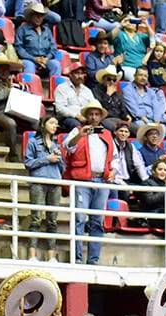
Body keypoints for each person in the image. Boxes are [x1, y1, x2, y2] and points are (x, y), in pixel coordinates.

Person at [64, 100, 114, 265]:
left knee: (97, 221)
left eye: (96, 114)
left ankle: (93, 260)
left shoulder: (106, 134)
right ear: (86, 116)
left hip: (102, 180)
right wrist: (81, 135)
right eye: (91, 114)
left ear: (100, 117)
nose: (93, 117)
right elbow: (67, 147)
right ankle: (77, 259)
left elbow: (114, 158)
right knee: (79, 218)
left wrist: (112, 171)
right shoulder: (76, 131)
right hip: (82, 180)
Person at [25, 114, 65, 259]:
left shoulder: (56, 146)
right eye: (52, 123)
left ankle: (51, 256)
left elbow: (62, 168)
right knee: (36, 218)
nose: (55, 126)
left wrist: (59, 158)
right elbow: (28, 163)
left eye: (56, 124)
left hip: (55, 182)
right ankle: (32, 254)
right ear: (43, 125)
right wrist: (47, 159)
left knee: (52, 220)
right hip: (38, 182)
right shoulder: (33, 143)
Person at [15, 2, 61, 79]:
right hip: (29, 59)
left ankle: (56, 89)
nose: (39, 18)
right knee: (29, 66)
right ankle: (29, 89)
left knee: (56, 65)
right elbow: (19, 48)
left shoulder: (47, 30)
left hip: (45, 59)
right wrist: (34, 59)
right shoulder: (22, 29)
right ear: (31, 16)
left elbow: (53, 47)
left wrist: (47, 58)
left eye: (41, 16)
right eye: (37, 15)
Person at [55, 62, 95, 131]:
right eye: (77, 73)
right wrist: (77, 116)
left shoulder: (87, 90)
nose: (80, 76)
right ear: (70, 74)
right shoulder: (62, 88)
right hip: (67, 118)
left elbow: (93, 105)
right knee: (77, 126)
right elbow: (59, 108)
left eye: (82, 73)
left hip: (85, 118)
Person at [110, 16, 151, 81]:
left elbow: (153, 41)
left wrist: (147, 26)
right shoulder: (120, 34)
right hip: (126, 66)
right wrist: (120, 25)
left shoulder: (142, 36)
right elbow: (110, 37)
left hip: (141, 69)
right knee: (137, 79)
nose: (130, 23)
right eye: (128, 20)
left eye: (133, 21)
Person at [93, 64, 130, 131]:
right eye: (109, 79)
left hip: (119, 120)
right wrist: (108, 95)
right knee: (118, 129)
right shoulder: (96, 91)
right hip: (105, 119)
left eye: (114, 80)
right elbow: (99, 108)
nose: (112, 82)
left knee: (138, 129)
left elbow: (123, 108)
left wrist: (127, 116)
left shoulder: (117, 93)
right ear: (103, 79)